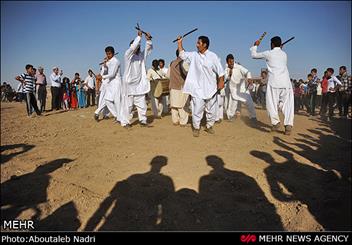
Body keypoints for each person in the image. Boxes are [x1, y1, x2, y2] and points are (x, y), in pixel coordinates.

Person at [177, 35, 225, 137]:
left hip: (211, 89)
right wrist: (180, 43)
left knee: (211, 110)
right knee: (197, 110)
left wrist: (221, 82)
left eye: (198, 43)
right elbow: (182, 54)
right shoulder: (194, 55)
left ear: (205, 45)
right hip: (197, 89)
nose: (196, 45)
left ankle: (209, 126)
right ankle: (196, 128)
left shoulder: (213, 56)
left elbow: (220, 71)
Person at [250, 36, 294, 135]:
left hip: (274, 82)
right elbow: (278, 54)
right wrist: (279, 48)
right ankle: (288, 125)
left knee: (271, 104)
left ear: (272, 44)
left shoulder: (268, 53)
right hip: (286, 83)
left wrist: (255, 46)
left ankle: (275, 123)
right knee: (287, 105)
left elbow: (254, 55)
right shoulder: (284, 54)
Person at [121, 30, 153, 128]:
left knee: (142, 105)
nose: (137, 47)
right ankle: (125, 122)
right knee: (128, 106)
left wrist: (148, 40)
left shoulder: (141, 57)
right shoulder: (127, 56)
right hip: (129, 86)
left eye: (139, 46)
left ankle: (143, 120)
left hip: (139, 85)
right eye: (136, 45)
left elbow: (148, 50)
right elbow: (132, 48)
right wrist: (139, 37)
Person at [224, 54, 256, 123]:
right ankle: (231, 116)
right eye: (229, 62)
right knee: (232, 105)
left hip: (242, 90)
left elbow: (247, 72)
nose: (231, 63)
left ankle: (253, 117)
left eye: (232, 62)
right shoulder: (226, 69)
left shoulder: (239, 67)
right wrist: (229, 74)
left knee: (250, 103)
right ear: (227, 62)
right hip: (233, 90)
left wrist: (249, 77)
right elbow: (226, 79)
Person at [94, 46, 122, 123]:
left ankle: (120, 119)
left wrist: (101, 76)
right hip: (110, 83)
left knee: (117, 102)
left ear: (113, 53)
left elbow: (112, 74)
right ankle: (117, 116)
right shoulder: (109, 61)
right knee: (107, 100)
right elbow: (106, 70)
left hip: (116, 83)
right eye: (107, 54)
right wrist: (105, 64)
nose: (108, 55)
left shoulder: (116, 61)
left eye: (109, 54)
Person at [167, 49, 190, 126]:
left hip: (173, 86)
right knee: (182, 105)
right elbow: (188, 74)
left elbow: (168, 76)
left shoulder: (171, 63)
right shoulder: (184, 63)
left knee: (174, 105)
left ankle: (175, 121)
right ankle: (183, 122)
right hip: (181, 86)